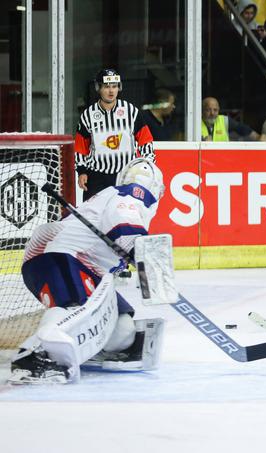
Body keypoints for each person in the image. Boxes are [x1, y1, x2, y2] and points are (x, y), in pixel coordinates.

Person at [8, 158, 166, 384]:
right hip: (59, 255)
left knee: (123, 331)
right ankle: (33, 354)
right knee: (73, 308)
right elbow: (124, 224)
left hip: (87, 267)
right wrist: (145, 257)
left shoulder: (109, 196)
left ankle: (77, 346)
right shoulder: (134, 193)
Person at [75, 69, 155, 201]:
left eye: (114, 86)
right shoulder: (88, 115)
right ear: (98, 88)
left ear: (119, 87)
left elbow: (145, 140)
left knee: (124, 215)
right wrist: (82, 171)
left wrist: (147, 165)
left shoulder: (130, 111)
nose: (111, 91)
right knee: (93, 217)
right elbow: (80, 147)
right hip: (97, 176)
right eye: (106, 87)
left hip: (126, 175)